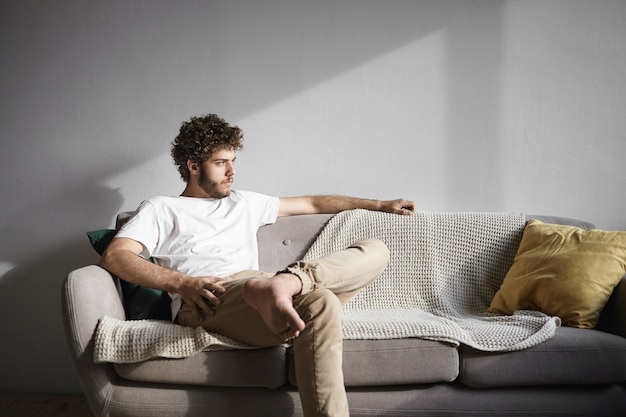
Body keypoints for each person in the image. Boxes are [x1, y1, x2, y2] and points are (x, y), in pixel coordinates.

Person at [99, 114, 416, 417]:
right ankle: (280, 286)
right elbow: (115, 256)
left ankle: (289, 283)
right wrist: (183, 284)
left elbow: (313, 203)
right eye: (221, 162)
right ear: (193, 166)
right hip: (213, 296)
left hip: (262, 286)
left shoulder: (244, 202)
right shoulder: (163, 208)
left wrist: (379, 205)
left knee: (376, 250)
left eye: (233, 161)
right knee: (322, 302)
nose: (231, 171)